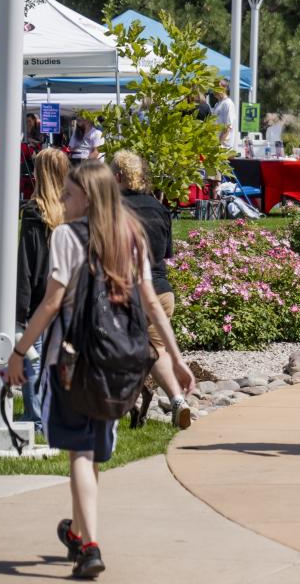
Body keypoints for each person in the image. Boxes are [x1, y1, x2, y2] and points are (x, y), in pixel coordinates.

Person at [6, 161, 195, 580]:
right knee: (91, 454)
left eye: (69, 195)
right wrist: (177, 359)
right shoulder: (132, 236)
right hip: (119, 361)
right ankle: (78, 531)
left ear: (87, 198)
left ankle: (90, 545)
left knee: (79, 452)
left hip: (72, 360)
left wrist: (20, 350)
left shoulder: (66, 237)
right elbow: (150, 302)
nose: (62, 200)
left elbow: (53, 302)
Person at [112, 150, 191, 429]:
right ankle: (178, 400)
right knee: (157, 351)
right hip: (162, 290)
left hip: (126, 291)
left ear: (118, 176)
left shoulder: (113, 207)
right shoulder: (160, 208)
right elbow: (164, 254)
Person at [15, 148, 71, 432]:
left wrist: (20, 309)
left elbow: (27, 263)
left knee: (32, 357)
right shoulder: (72, 209)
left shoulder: (34, 210)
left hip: (40, 298)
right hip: (67, 296)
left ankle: (35, 416)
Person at [212, 80, 236, 147]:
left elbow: (227, 127)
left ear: (224, 88)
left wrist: (219, 144)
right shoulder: (217, 104)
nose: (214, 89)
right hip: (216, 144)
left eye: (216, 87)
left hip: (223, 147)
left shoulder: (228, 103)